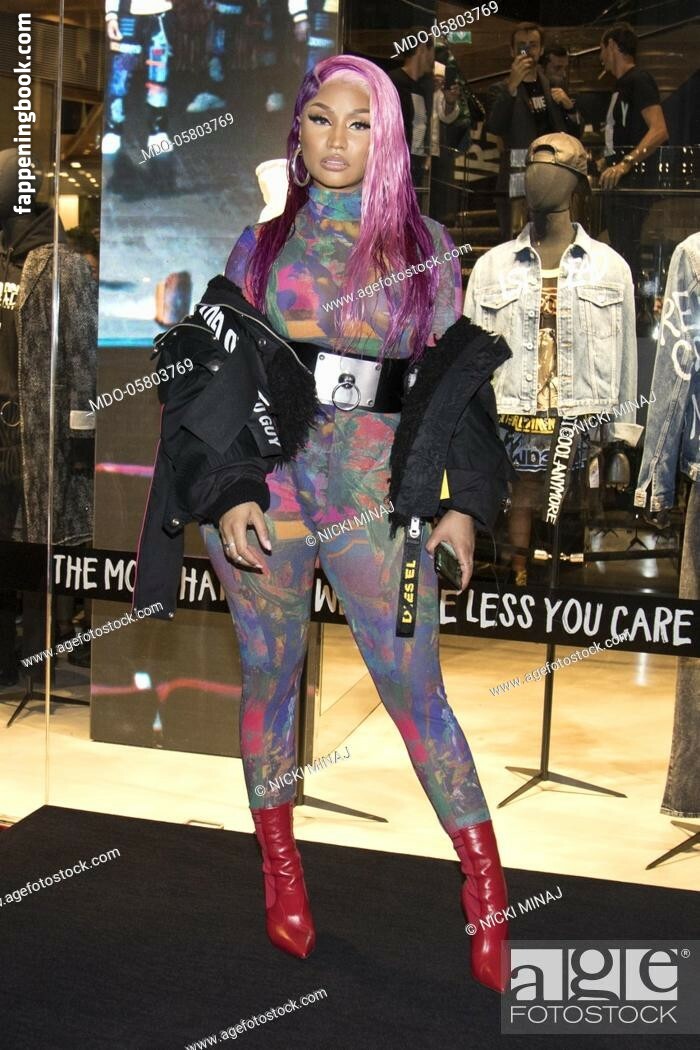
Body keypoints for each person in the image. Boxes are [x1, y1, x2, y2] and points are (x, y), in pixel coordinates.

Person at [135, 54, 514, 992]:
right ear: (297, 131)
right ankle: (281, 871)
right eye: (320, 120)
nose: (337, 140)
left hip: (377, 495)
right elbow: (218, 381)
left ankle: (487, 891)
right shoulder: (260, 246)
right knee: (269, 676)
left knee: (415, 691)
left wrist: (464, 505)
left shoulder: (426, 245)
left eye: (360, 123)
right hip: (272, 497)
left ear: (387, 137)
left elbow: (456, 383)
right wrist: (231, 491)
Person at [486, 22, 575, 242]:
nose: (527, 50)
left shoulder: (554, 85)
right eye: (521, 46)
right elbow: (495, 126)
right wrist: (511, 87)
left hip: (553, 176)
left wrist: (569, 107)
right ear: (512, 51)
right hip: (517, 175)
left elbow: (573, 133)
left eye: (533, 45)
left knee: (552, 239)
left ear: (541, 50)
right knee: (514, 240)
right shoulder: (500, 89)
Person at [598, 22, 668, 283]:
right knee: (621, 247)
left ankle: (635, 301)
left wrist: (625, 163)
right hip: (620, 184)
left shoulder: (639, 79)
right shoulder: (622, 85)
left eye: (601, 49)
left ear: (612, 46)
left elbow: (659, 130)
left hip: (633, 184)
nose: (600, 57)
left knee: (627, 251)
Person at [388, 32, 435, 203]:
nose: (433, 58)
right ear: (422, 49)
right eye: (432, 51)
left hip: (414, 170)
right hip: (396, 171)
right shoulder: (392, 82)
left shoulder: (421, 88)